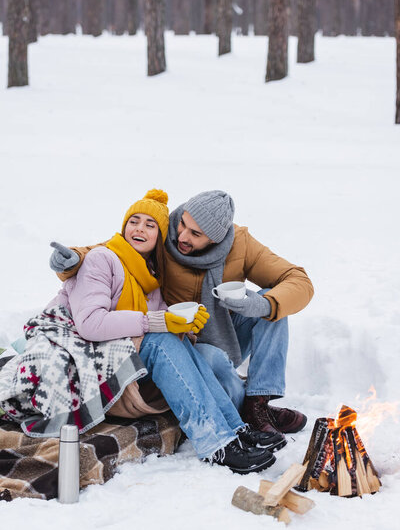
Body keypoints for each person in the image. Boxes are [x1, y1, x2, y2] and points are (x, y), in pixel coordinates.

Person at [0, 189, 280, 475]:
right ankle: (215, 443)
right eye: (134, 220)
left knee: (174, 340)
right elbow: (91, 324)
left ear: (160, 237)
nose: (139, 229)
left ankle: (234, 428)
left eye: (150, 225)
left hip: (115, 356)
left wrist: (184, 328)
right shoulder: (102, 260)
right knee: (159, 339)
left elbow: (152, 327)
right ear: (124, 226)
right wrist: (157, 321)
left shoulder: (151, 279)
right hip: (79, 353)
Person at [50, 190, 314, 442]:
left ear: (217, 238)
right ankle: (246, 410)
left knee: (273, 304)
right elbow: (115, 247)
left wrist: (262, 305)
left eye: (195, 234)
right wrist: (75, 259)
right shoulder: (165, 233)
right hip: (183, 339)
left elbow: (298, 280)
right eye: (183, 225)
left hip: (225, 332)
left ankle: (258, 403)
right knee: (213, 360)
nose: (182, 236)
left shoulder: (241, 244)